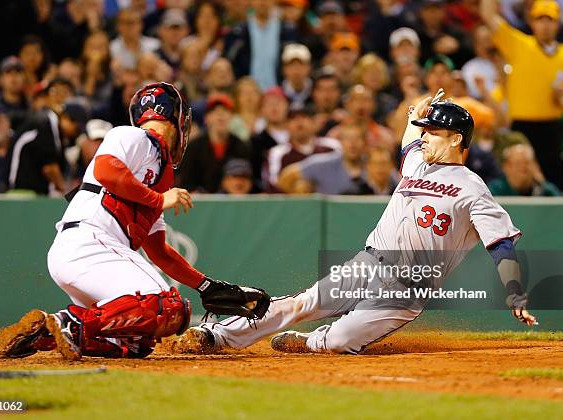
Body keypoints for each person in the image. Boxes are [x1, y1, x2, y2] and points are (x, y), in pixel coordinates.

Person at [175, 90, 538, 355]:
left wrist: (515, 289)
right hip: (369, 263)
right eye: (424, 131)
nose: (424, 136)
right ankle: (217, 337)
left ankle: (313, 342)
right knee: (299, 304)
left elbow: (501, 242)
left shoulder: (473, 188)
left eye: (433, 132)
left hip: (408, 288)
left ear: (456, 139)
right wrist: (416, 113)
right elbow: (409, 140)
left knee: (340, 339)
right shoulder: (417, 164)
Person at [0, 82, 269, 361]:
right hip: (91, 242)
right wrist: (160, 200)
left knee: (136, 343)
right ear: (176, 119)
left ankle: (48, 334)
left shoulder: (158, 172)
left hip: (87, 254)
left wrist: (206, 286)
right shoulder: (133, 136)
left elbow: (159, 252)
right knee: (166, 307)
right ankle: (73, 323)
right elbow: (105, 171)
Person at [480, 0, 563, 191]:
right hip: (522, 128)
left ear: (558, 23)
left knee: (554, 183)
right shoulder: (518, 44)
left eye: (550, 20)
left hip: (553, 129)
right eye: (540, 19)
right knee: (517, 181)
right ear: (532, 22)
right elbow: (488, 16)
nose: (545, 25)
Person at [178, 94, 250, 193]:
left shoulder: (241, 146)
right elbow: (186, 182)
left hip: (233, 202)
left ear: (231, 117)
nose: (220, 115)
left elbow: (247, 180)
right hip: (201, 204)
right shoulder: (194, 147)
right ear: (206, 118)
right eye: (215, 112)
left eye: (225, 111)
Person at [264, 106, 339, 191]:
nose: (299, 123)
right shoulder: (277, 153)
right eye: (293, 119)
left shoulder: (332, 147)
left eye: (304, 117)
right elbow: (272, 184)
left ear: (314, 122)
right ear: (286, 125)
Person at [488, 143, 562, 196]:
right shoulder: (494, 191)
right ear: (506, 167)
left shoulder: (545, 191)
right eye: (518, 163)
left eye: (527, 163)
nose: (523, 167)